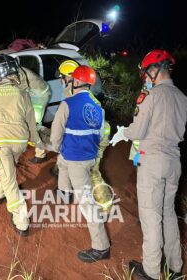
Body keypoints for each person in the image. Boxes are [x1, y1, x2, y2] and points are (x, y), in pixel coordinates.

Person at [110, 50, 187, 279]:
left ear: (154, 70)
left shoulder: (152, 97)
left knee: (151, 216)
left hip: (152, 161)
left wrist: (124, 132)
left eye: (146, 73)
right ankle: (175, 267)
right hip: (174, 161)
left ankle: (151, 271)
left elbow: (139, 130)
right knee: (168, 214)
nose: (145, 78)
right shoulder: (183, 98)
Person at [50, 65, 110, 262]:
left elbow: (56, 134)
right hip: (86, 157)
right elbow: (102, 136)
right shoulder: (97, 108)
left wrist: (57, 146)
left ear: (75, 82)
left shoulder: (67, 104)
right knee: (62, 165)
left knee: (87, 202)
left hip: (76, 160)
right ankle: (65, 193)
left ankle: (101, 247)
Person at [0, 54, 44, 237]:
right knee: (7, 173)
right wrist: (38, 143)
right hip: (19, 142)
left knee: (10, 181)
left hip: (0, 142)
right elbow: (31, 123)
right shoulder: (22, 93)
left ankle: (22, 222)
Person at [52, 60, 111, 191]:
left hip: (91, 144)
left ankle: (104, 207)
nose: (60, 81)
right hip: (81, 144)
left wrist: (98, 151)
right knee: (65, 160)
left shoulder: (80, 96)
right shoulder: (72, 91)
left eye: (62, 77)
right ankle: (65, 188)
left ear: (69, 78)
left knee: (93, 175)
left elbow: (104, 127)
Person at [17, 66, 51, 164]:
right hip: (36, 93)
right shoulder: (15, 68)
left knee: (34, 124)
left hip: (39, 96)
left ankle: (41, 155)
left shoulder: (17, 73)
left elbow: (20, 91)